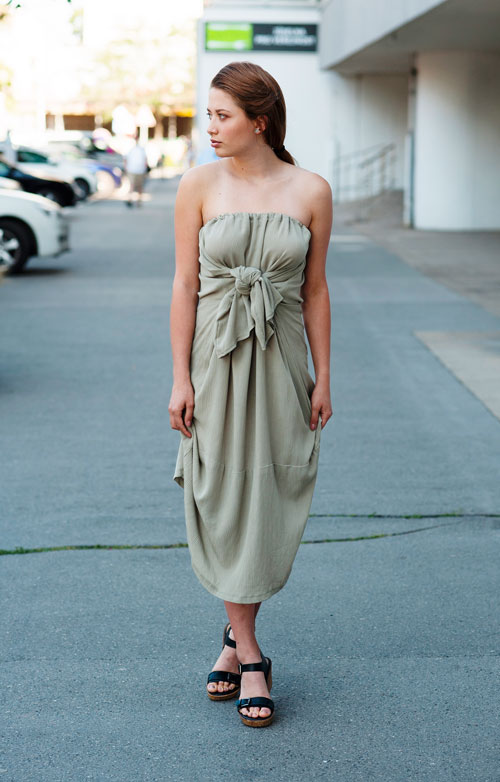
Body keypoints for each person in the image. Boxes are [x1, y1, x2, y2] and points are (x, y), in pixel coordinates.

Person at [169, 61, 332, 728]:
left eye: (222, 116)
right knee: (221, 492)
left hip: (283, 361)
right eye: (208, 115)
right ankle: (254, 651)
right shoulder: (197, 185)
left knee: (265, 496)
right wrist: (180, 375)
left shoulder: (312, 190)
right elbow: (185, 285)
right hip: (215, 360)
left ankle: (234, 638)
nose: (210, 128)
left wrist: (325, 375)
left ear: (259, 120)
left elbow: (316, 290)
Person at [124, 134, 148, 206]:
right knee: (133, 185)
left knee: (137, 186)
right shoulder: (131, 148)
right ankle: (132, 200)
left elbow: (145, 159)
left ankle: (138, 201)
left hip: (138, 169)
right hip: (133, 169)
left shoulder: (141, 148)